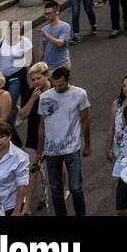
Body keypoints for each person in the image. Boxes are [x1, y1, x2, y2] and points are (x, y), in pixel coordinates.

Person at [35, 65, 91, 217]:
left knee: (76, 188)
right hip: (52, 150)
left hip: (72, 148)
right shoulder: (45, 97)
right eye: (55, 84)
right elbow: (41, 125)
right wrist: (39, 150)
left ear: (69, 80)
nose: (57, 88)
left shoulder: (79, 94)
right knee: (55, 189)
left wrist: (88, 145)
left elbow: (85, 120)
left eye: (61, 84)